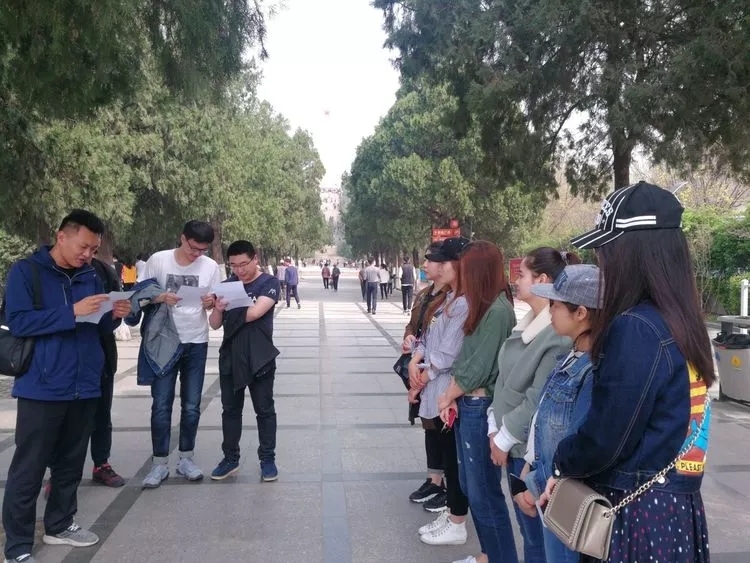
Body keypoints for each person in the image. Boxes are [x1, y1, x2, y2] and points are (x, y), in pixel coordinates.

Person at [543, 181, 714, 562]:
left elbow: (605, 440)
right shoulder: (682, 321)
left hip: (636, 518)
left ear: (633, 254)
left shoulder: (636, 328)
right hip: (673, 510)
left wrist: (561, 461)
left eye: (606, 251)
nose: (602, 262)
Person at [2, 210, 131, 563]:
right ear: (62, 236)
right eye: (83, 247)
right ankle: (17, 547)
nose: (88, 255)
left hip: (85, 383)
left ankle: (59, 525)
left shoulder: (91, 275)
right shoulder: (27, 272)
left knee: (71, 463)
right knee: (29, 468)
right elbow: (19, 322)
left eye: (93, 249)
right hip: (42, 386)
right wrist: (72, 311)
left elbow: (97, 327)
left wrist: (112, 315)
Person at [431, 241, 518, 561]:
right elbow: (466, 359)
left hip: (480, 406)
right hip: (467, 402)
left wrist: (447, 395)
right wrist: (453, 397)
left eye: (465, 269)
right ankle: (487, 555)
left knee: (484, 494)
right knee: (472, 487)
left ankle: (499, 557)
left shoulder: (497, 311)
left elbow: (477, 367)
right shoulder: (483, 306)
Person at [485, 247, 573, 563]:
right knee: (529, 533)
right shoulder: (528, 323)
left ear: (542, 280)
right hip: (511, 442)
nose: (515, 280)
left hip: (528, 450)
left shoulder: (557, 335)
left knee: (538, 540)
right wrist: (494, 424)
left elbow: (538, 399)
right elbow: (505, 383)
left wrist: (504, 437)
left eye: (521, 274)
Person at [513, 264, 601, 563]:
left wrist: (536, 483)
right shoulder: (570, 357)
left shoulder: (592, 371)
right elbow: (543, 421)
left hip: (564, 498)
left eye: (556, 305)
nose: (550, 311)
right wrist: (528, 470)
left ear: (581, 313)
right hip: (546, 488)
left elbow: (578, 444)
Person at [139, 220, 221, 488]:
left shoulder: (210, 266)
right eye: (193, 248)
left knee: (192, 405)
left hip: (196, 341)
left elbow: (215, 301)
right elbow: (139, 294)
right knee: (161, 404)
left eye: (202, 250)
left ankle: (186, 458)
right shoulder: (159, 260)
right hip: (164, 340)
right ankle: (159, 463)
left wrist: (210, 302)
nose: (197, 254)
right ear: (182, 238)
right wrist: (160, 297)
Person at [407, 237, 472, 547]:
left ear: (457, 265)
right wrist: (415, 360)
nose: (431, 266)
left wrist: (421, 377)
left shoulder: (464, 303)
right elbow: (428, 338)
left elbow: (448, 354)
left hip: (447, 391)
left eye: (440, 261)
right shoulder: (449, 299)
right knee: (447, 455)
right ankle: (452, 514)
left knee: (453, 460)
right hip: (434, 387)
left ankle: (456, 518)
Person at [209, 241, 281, 482]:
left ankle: (268, 459)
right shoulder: (226, 286)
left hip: (259, 356)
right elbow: (215, 323)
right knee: (230, 410)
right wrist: (219, 308)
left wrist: (231, 309)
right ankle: (230, 459)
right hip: (230, 356)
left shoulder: (269, 283)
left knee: (264, 410)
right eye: (234, 265)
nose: (239, 270)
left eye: (243, 264)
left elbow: (255, 313)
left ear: (255, 258)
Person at [404, 243, 449, 512]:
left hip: (436, 373)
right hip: (419, 366)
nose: (424, 265)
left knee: (441, 427)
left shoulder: (450, 298)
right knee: (428, 425)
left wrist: (424, 371)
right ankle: (434, 479)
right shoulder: (424, 294)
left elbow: (446, 344)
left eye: (429, 260)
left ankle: (447, 486)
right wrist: (409, 337)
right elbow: (414, 325)